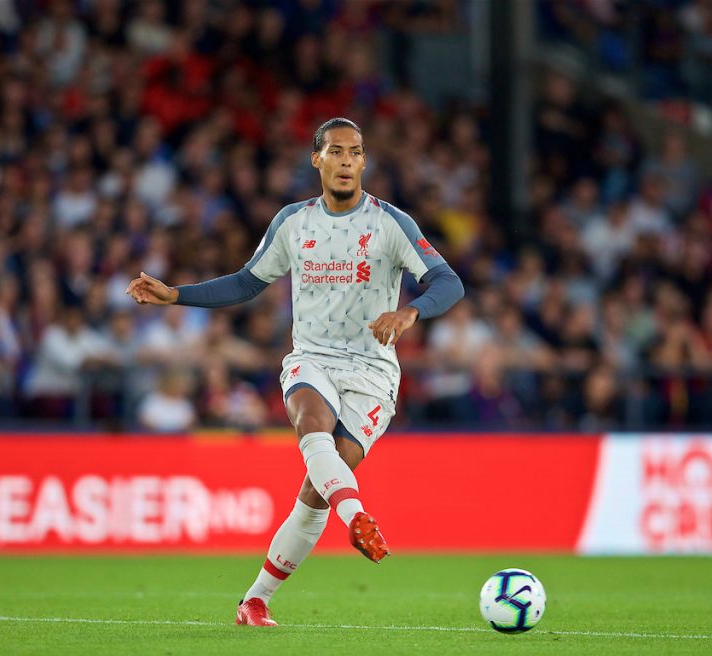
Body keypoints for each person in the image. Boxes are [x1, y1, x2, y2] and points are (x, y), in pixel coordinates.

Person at [125, 117, 464, 627]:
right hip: (313, 358)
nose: (346, 160)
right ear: (317, 160)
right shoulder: (293, 221)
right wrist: (178, 294)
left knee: (316, 489)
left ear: (364, 162)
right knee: (311, 422)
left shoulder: (391, 223)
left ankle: (255, 598)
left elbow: (448, 280)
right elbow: (245, 283)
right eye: (335, 151)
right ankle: (358, 517)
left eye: (355, 152)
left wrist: (410, 311)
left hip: (373, 371)